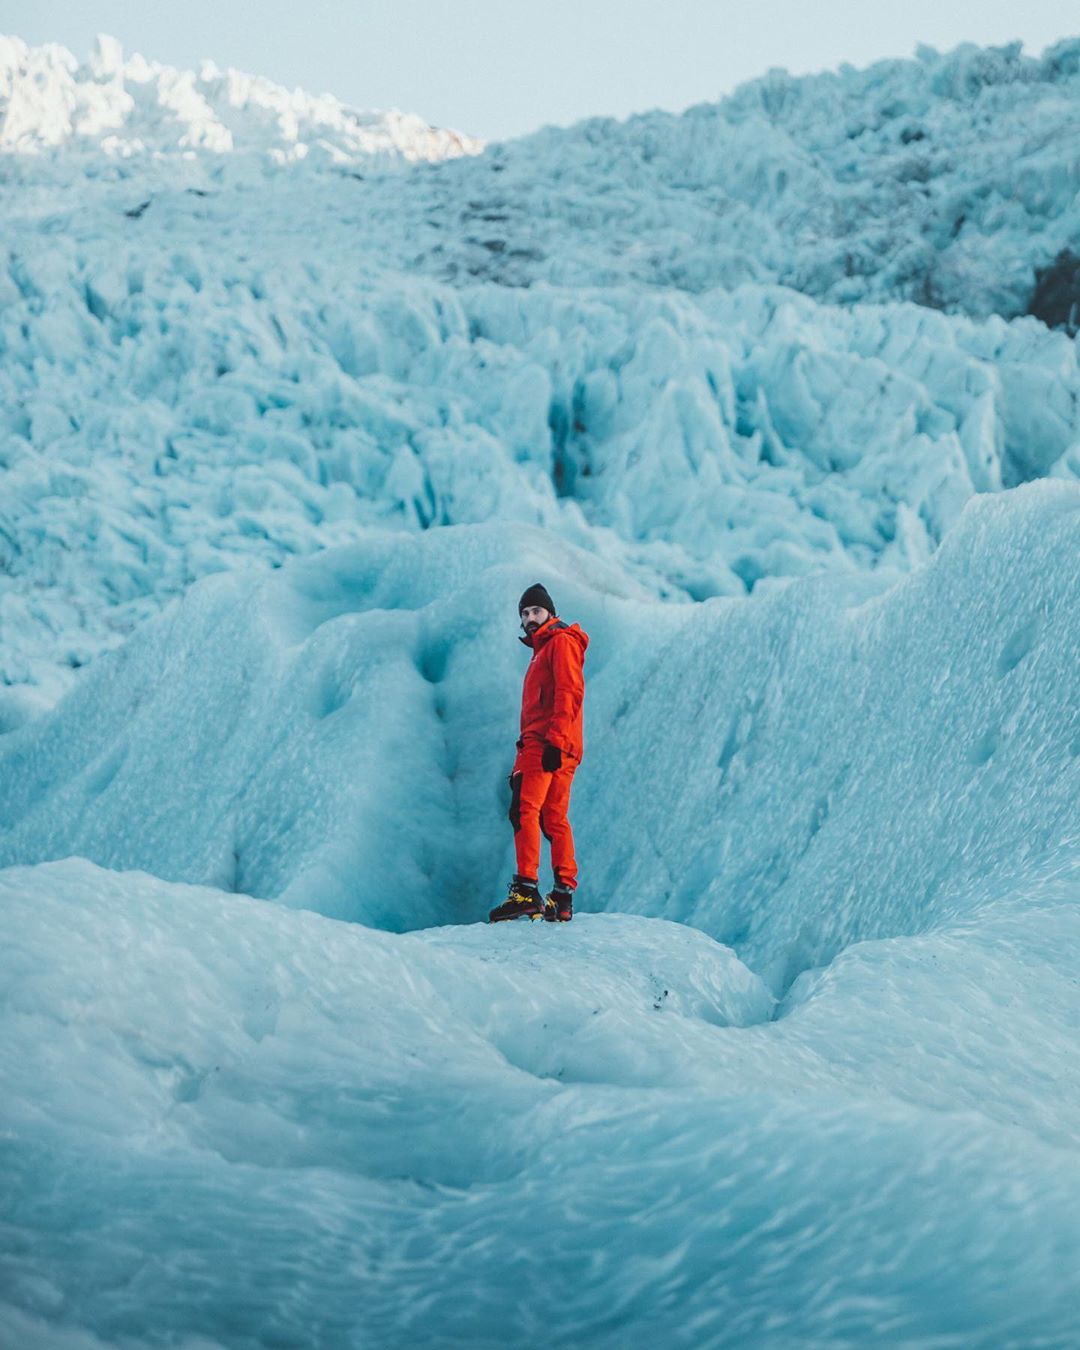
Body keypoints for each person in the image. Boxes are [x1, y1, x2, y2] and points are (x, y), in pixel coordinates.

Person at [489, 583, 589, 923]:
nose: (531, 618)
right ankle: (562, 896)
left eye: (536, 611)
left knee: (524, 810)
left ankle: (525, 890)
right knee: (553, 818)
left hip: (545, 743)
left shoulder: (558, 643)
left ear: (550, 611)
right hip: (561, 745)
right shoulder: (547, 647)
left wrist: (554, 742)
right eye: (525, 613)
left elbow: (568, 692)